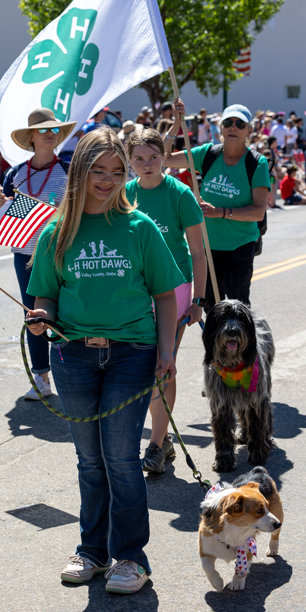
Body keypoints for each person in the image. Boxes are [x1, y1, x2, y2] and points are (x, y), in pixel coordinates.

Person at [26, 126, 182, 593]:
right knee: (89, 460)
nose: (110, 179)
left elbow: (166, 295)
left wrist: (168, 351)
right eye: (99, 170)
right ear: (80, 172)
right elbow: (46, 296)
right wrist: (41, 318)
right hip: (72, 355)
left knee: (120, 458)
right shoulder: (58, 231)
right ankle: (92, 551)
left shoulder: (140, 227)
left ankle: (131, 557)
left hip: (132, 354)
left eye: (118, 170)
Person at [125, 124, 206, 474]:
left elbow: (199, 253)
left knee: (163, 363)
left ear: (164, 157)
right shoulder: (124, 193)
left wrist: (199, 299)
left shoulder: (181, 194)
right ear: (129, 161)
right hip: (136, 291)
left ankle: (156, 444)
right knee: (142, 366)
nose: (147, 164)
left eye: (154, 157)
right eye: (139, 158)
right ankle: (164, 437)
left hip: (175, 291)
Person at [0, 108, 74, 399]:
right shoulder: (14, 175)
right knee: (34, 317)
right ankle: (41, 378)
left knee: (67, 313)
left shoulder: (68, 170)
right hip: (25, 255)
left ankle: (73, 375)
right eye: (44, 129)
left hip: (62, 253)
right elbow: (6, 218)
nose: (51, 133)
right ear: (31, 137)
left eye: (54, 129)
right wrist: (0, 207)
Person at [164, 103, 269, 311]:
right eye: (228, 123)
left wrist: (219, 212)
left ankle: (243, 344)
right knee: (212, 309)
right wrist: (176, 124)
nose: (233, 128)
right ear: (220, 128)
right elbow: (165, 158)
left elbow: (258, 211)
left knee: (238, 308)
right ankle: (215, 345)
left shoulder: (256, 163)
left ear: (249, 130)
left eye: (240, 124)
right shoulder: (208, 154)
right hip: (207, 248)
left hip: (240, 246)